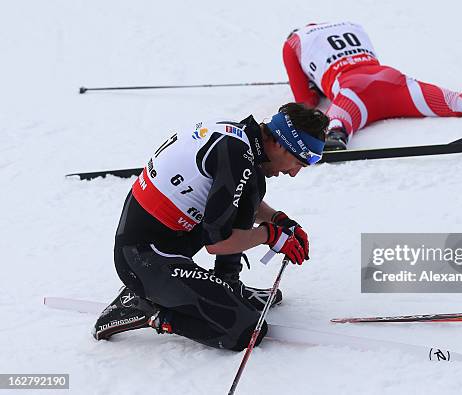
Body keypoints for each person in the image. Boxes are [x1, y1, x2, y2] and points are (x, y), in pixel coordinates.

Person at [92, 103, 329, 351]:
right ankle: (144, 307)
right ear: (280, 143)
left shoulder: (240, 141)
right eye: (299, 162)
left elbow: (234, 195)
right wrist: (271, 235)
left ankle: (229, 283)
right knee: (246, 331)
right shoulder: (237, 156)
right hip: (143, 259)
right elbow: (217, 244)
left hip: (168, 239)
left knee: (254, 182)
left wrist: (278, 220)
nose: (293, 173)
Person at [282, 21, 462, 150]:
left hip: (353, 90)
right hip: (392, 80)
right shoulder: (351, 25)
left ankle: (335, 135)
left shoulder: (294, 41)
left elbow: (304, 104)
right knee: (455, 100)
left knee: (340, 112)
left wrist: (316, 86)